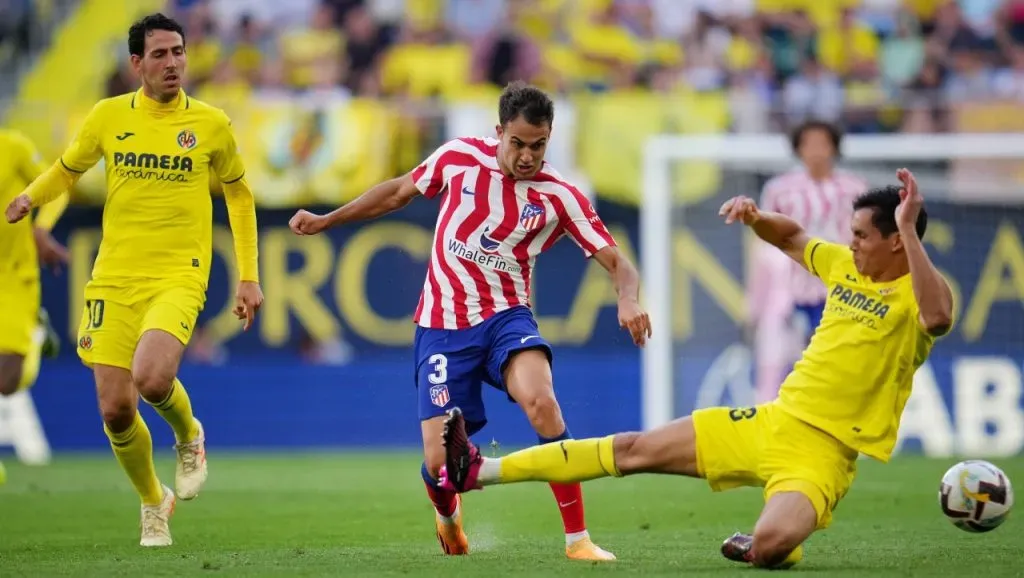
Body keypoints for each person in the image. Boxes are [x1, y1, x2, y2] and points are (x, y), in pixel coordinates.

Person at [438, 168, 953, 569]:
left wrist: (909, 229)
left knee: (771, 549)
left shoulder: (918, 294)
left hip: (824, 455)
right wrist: (755, 219)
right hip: (772, 422)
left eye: (863, 234)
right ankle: (479, 471)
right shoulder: (845, 265)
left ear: (895, 239)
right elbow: (793, 237)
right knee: (634, 449)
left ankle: (776, 542)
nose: (853, 242)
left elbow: (939, 317)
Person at [289, 81, 652, 561]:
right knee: (442, 466)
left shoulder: (559, 195)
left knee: (543, 404)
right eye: (518, 143)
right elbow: (398, 191)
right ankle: (448, 516)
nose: (527, 156)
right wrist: (327, 219)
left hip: (506, 318)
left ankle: (577, 539)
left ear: (549, 139)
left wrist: (627, 299)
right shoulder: (457, 157)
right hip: (441, 326)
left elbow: (618, 262)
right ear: (499, 131)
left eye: (538, 145)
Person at [4, 13, 264, 547]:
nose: (173, 63)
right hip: (114, 276)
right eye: (161, 54)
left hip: (179, 272)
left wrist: (249, 277)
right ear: (136, 64)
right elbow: (69, 168)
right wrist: (32, 196)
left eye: (179, 52)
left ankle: (190, 435)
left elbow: (238, 193)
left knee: (151, 378)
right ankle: (153, 502)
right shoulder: (107, 116)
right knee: (115, 408)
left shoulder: (212, 123)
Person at [748, 120, 867, 402]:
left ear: (834, 147)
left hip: (840, 292)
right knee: (777, 366)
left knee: (841, 370)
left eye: (822, 143)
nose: (815, 150)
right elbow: (763, 243)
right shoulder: (780, 189)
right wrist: (756, 298)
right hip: (790, 294)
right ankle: (768, 434)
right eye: (808, 143)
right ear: (798, 149)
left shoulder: (854, 189)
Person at [0, 128, 70, 484]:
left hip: (13, 278)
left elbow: (56, 188)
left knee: (8, 380)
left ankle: (35, 332)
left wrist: (41, 229)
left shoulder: (13, 147)